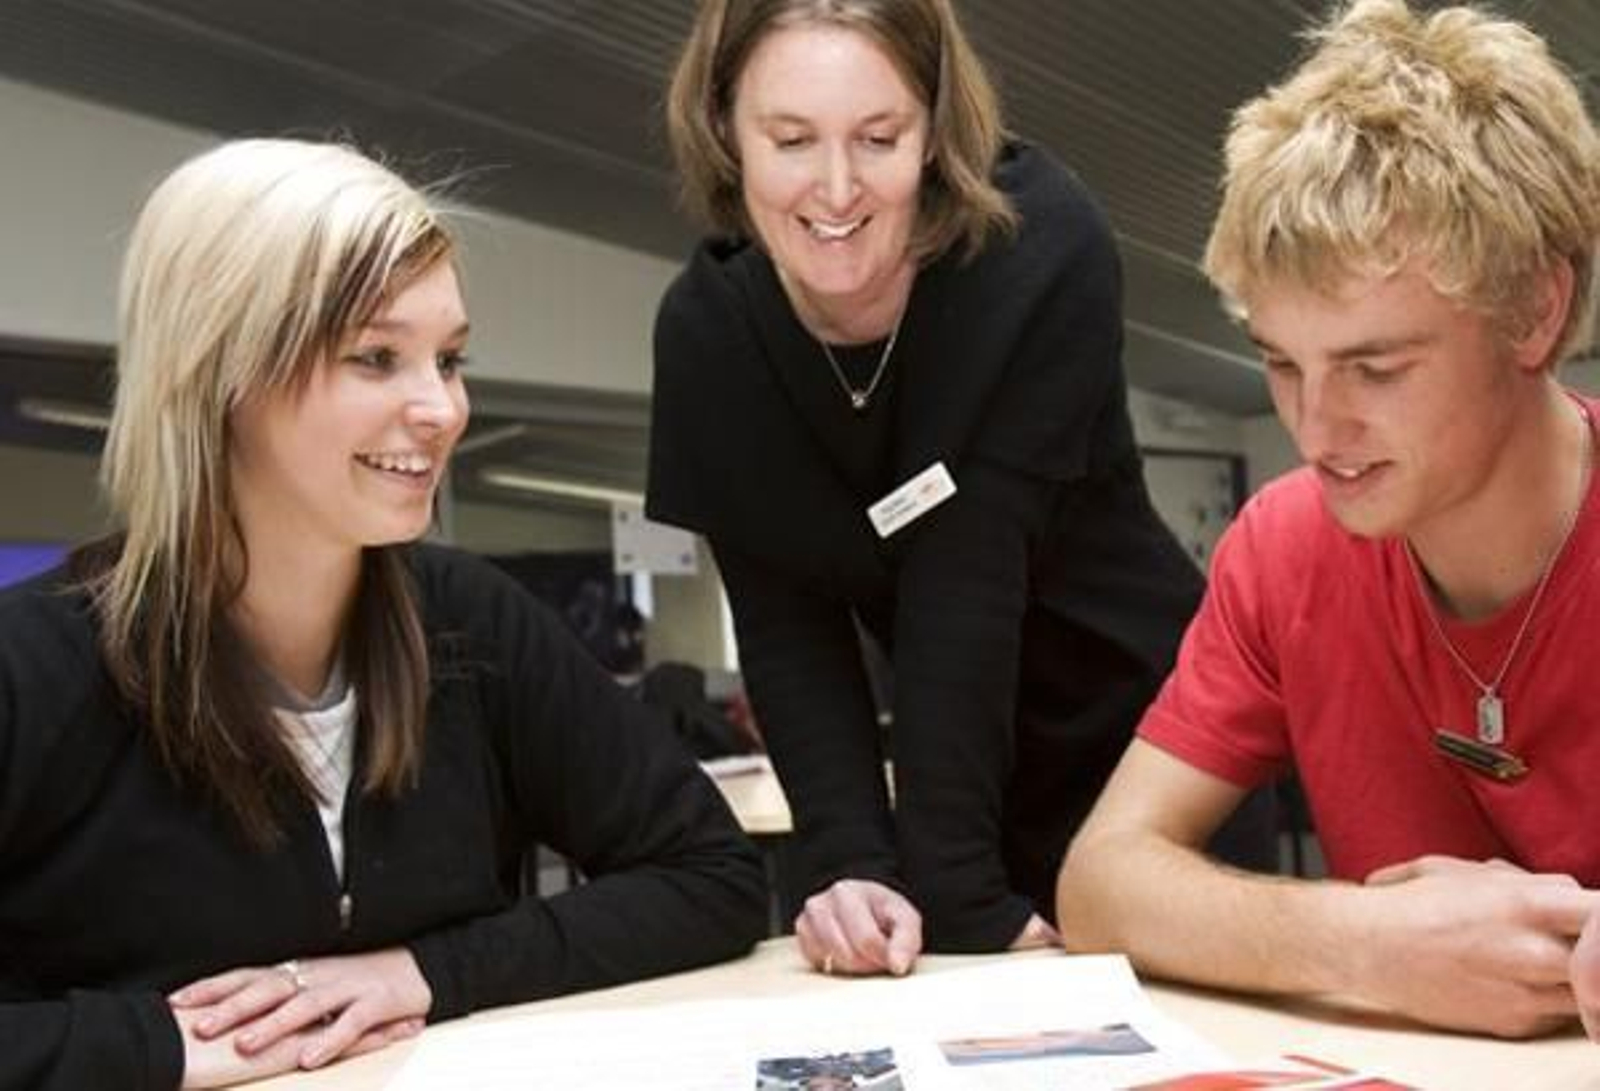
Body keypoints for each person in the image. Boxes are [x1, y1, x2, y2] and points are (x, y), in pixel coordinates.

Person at [0, 138, 768, 1090]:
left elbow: (711, 876)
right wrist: (157, 1043)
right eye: (376, 357)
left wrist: (422, 972)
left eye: (448, 359)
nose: (442, 408)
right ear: (220, 372)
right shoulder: (32, 667)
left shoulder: (470, 621)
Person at [648, 0, 1271, 976]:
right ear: (725, 130)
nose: (837, 188)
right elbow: (786, 626)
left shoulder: (1031, 245)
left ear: (937, 128)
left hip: (1148, 758)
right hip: (959, 791)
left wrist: (952, 891)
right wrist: (853, 868)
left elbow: (966, 571)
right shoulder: (710, 336)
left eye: (879, 137)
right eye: (792, 140)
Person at [1056, 0, 1600, 1039]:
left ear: (1533, 312)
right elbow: (1101, 880)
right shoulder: (1282, 545)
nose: (1315, 426)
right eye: (1281, 362)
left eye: (1375, 367)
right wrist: (1365, 942)